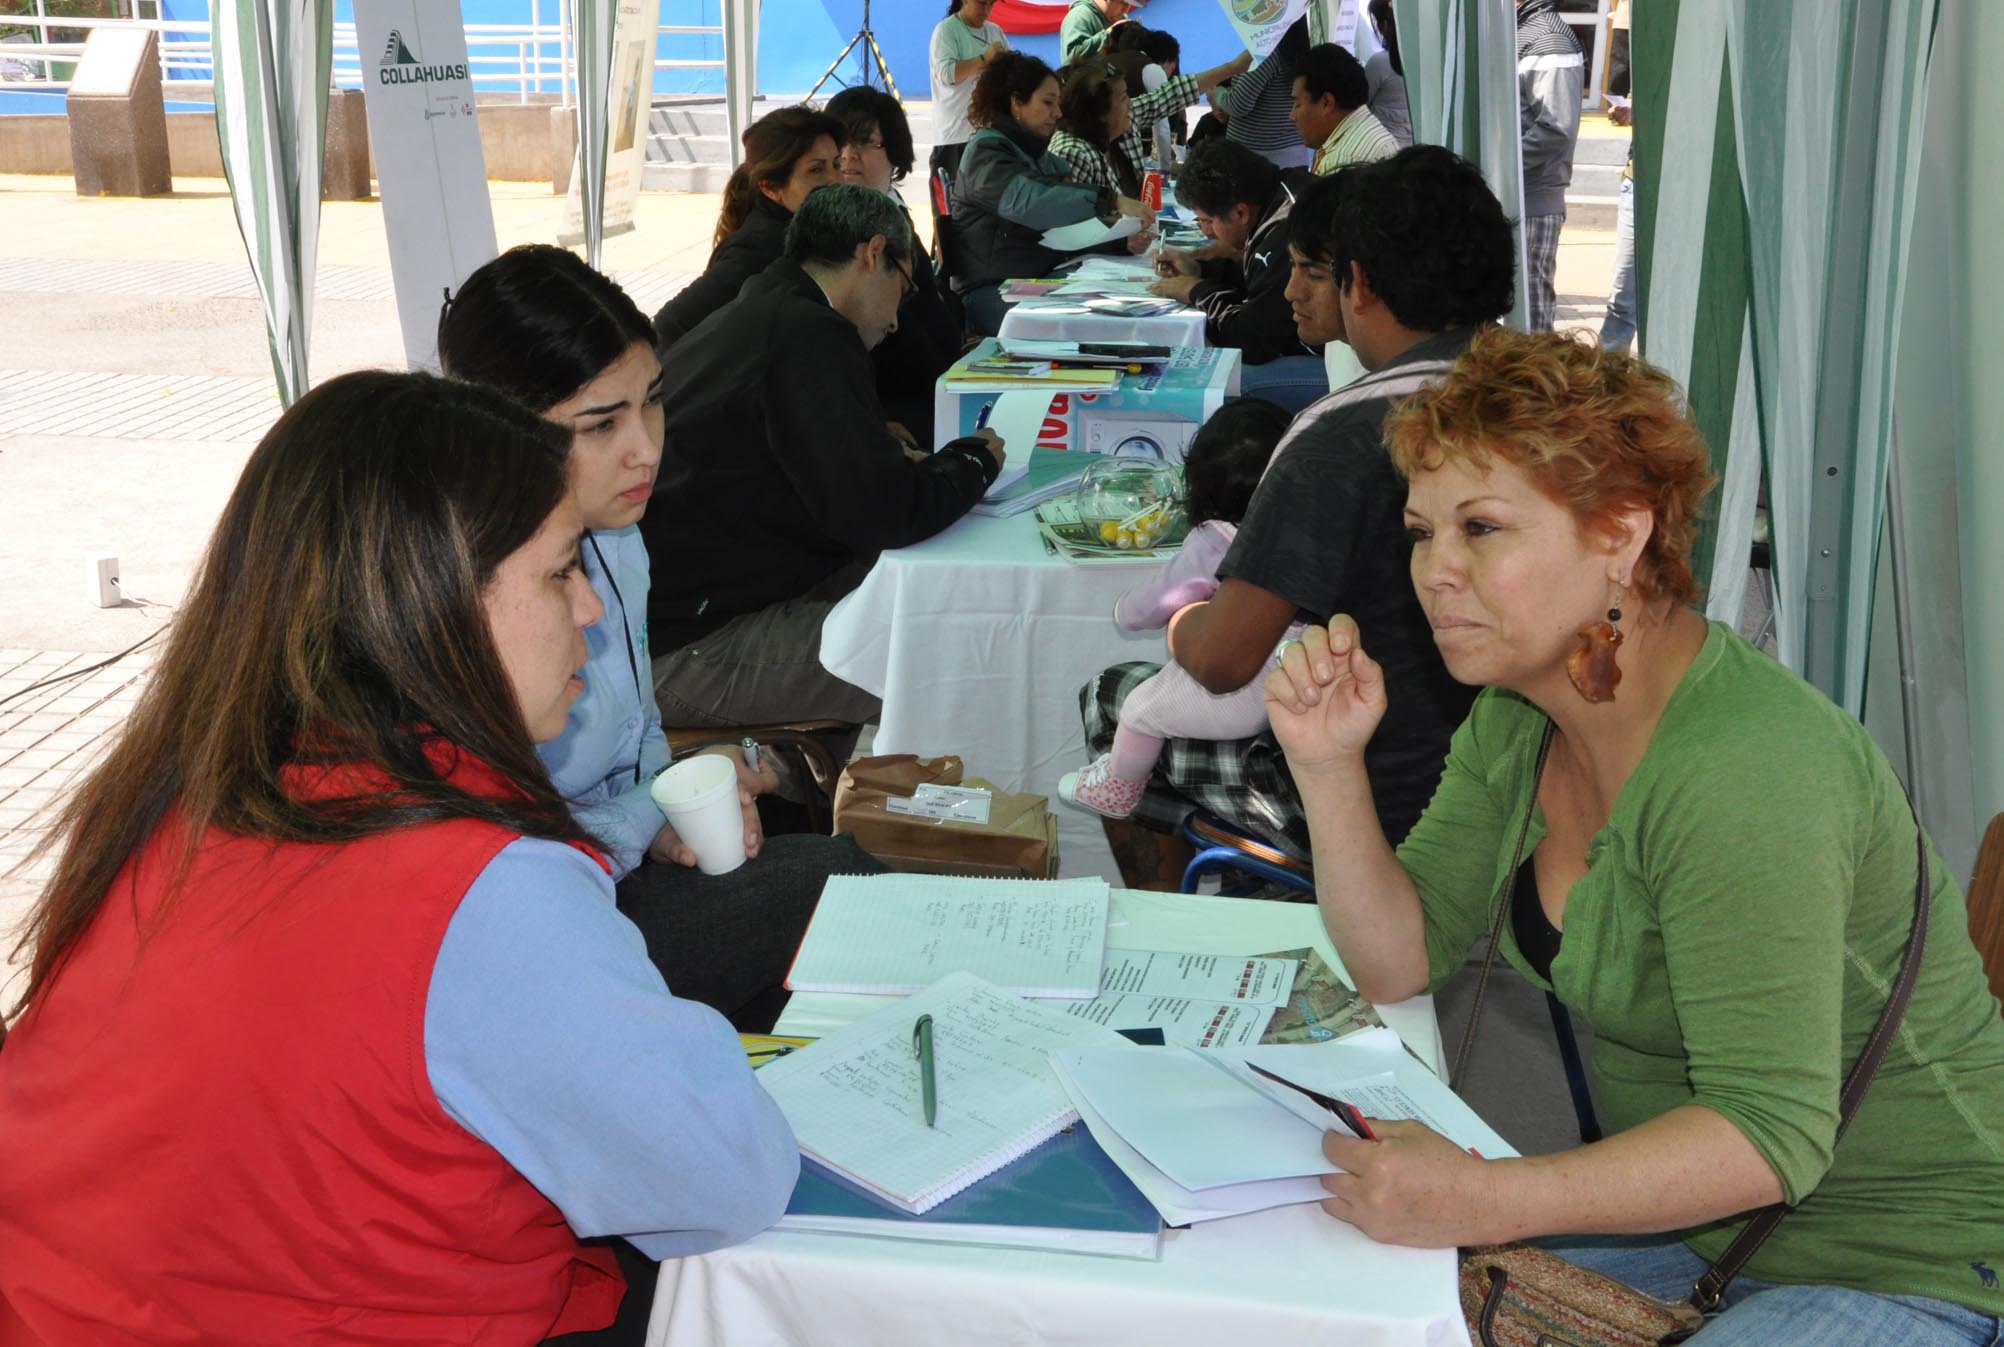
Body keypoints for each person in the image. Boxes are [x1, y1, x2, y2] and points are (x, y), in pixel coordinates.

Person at [0, 370, 799, 1345]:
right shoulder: (478, 887)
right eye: (560, 572)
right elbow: (729, 1178)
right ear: (433, 608)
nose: (590, 609)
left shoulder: (174, 796)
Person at [1264, 328, 2004, 1346]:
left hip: (1920, 1259)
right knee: (1334, 1289)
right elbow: (1398, 956)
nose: (1435, 571)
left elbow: (1768, 1135)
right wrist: (1327, 766)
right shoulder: (1521, 716)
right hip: (1715, 1241)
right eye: (1421, 531)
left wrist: (1483, 1197)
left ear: (1620, 535)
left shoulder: (1745, 768)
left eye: (1481, 528)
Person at [437, 244, 885, 1027]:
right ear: (500, 432)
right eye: (601, 424)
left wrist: (671, 813)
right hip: (544, 937)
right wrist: (650, 811)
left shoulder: (619, 539)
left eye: (653, 401)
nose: (646, 447)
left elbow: (642, 728)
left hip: (618, 869)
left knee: (833, 923)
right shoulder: (471, 602)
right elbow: (499, 862)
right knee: (839, 894)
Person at [1079, 147, 1513, 874]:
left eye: (1316, 271)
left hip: (1381, 805)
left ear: (1359, 283)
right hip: (1527, 787)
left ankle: (1194, 917)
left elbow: (1222, 661)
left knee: (1115, 696)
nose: (1292, 290)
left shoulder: (1340, 438)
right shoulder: (1539, 396)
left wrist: (1181, 617)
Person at [646, 185, 1006, 729]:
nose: (896, 321)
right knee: (951, 653)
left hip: (696, 610)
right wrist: (973, 462)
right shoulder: (808, 332)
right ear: (873, 254)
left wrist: (874, 445)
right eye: (904, 290)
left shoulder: (771, 306)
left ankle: (809, 772)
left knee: (928, 594)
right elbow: (886, 514)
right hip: (689, 647)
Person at [1059, 398, 1294, 818]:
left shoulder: (1212, 541)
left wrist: (1124, 608)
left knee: (1140, 709)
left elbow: (1159, 600)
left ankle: (1119, 787)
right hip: (1290, 682)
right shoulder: (1299, 532)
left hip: (1242, 692)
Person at [951, 51, 1154, 335]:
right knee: (1093, 326)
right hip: (989, 292)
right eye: (1048, 103)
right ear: (1017, 103)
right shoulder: (985, 155)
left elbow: (1064, 232)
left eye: (1057, 103)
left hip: (1037, 279)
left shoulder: (1040, 155)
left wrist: (1120, 240)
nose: (1057, 113)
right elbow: (1034, 203)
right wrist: (1110, 200)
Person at [1149, 136, 1325, 411]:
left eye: (1207, 221)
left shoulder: (1286, 232)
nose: (1206, 232)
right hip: (1337, 354)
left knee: (1222, 384)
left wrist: (1196, 290)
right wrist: (1202, 270)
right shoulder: (1284, 192)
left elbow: (1251, 341)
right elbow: (1264, 286)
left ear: (1241, 213)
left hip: (1343, 369)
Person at [828, 85, 962, 444]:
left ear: (895, 153)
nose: (848, 155)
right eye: (840, 143)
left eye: (863, 142)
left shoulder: (893, 212)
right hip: (890, 405)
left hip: (931, 385)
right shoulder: (836, 231)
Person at [652, 105, 843, 349]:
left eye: (836, 165)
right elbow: (670, 324)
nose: (835, 180)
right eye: (815, 169)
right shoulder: (758, 249)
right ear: (770, 188)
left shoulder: (809, 234)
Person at [1048, 47, 1250, 198]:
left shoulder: (1122, 121)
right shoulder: (1071, 152)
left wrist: (1233, 68)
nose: (1130, 104)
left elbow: (1169, 96)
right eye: (1123, 98)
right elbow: (1073, 222)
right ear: (1100, 111)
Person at [1516, 0, 1583, 331]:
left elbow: (1556, 129)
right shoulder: (1521, 30)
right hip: (1517, 195)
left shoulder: (1548, 38)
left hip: (1533, 201)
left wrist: (1502, 165)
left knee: (1530, 318)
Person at [929, 0, 1010, 185]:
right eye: (982, 3)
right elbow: (947, 74)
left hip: (989, 134)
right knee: (952, 200)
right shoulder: (946, 30)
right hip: (955, 136)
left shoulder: (995, 31)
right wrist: (984, 59)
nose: (986, 10)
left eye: (991, 4)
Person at [1291, 42, 1398, 175]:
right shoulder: (1365, 128)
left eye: (1298, 104)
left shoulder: (1344, 163)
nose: (1292, 116)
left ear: (1326, 103)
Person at [1224, 15, 1311, 170]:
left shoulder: (1267, 53)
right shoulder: (1303, 52)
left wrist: (1216, 95)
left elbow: (1238, 105)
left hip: (1256, 163)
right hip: (1295, 158)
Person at [1363, 0, 1412, 148]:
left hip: (1384, 148)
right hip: (1416, 148)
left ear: (1384, 25)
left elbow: (1359, 104)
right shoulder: (1422, 61)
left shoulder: (1379, 63)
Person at [1060, 0, 1141, 64]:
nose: (1126, 10)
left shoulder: (1119, 17)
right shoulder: (1079, 16)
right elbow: (1071, 58)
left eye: (1129, 4)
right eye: (1123, 2)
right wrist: (1110, 34)